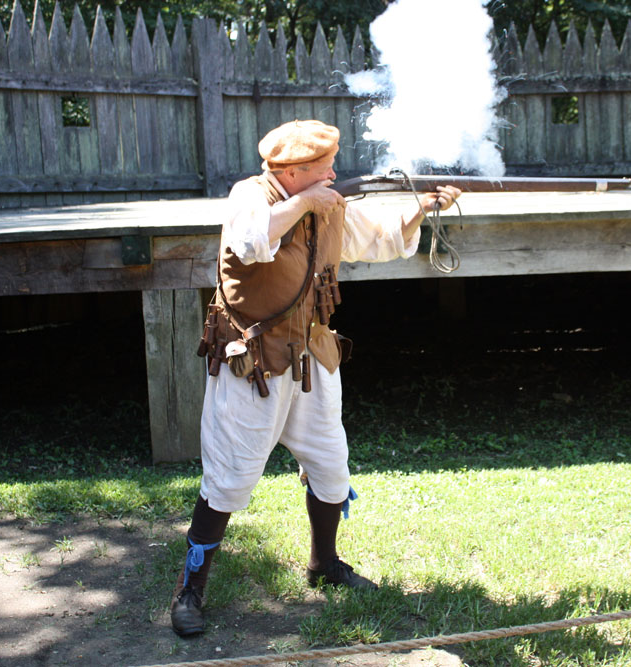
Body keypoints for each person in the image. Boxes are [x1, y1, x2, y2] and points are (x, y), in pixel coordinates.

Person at [170, 119, 462, 636]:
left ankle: (323, 564)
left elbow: (378, 239)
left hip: (313, 355)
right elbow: (250, 241)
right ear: (293, 171)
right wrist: (305, 204)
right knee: (229, 478)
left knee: (331, 468)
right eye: (323, 168)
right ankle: (189, 591)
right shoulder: (250, 196)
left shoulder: (327, 204)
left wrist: (421, 206)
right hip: (252, 363)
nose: (334, 173)